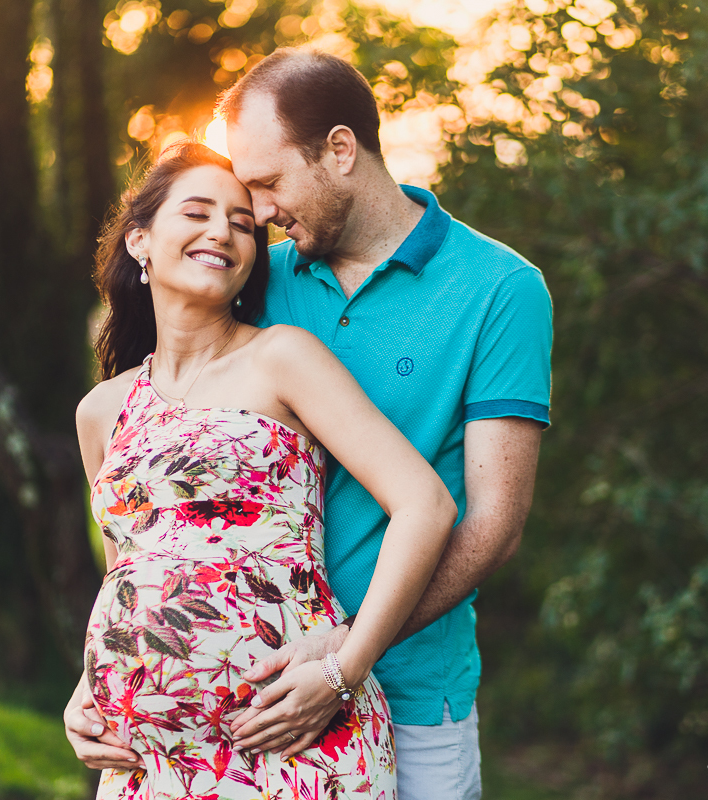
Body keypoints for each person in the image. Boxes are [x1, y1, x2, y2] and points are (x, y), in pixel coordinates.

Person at [67, 140, 456, 799]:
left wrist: (345, 667)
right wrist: (88, 687)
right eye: (196, 212)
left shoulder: (282, 360)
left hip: (295, 742)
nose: (222, 230)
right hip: (147, 764)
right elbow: (126, 572)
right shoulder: (101, 410)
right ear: (139, 241)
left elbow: (426, 504)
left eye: (242, 223)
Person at [215, 49, 552, 800]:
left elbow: (495, 524)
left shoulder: (500, 289)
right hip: (256, 690)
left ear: (340, 150)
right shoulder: (258, 278)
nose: (260, 210)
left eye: (269, 183)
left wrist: (349, 653)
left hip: (412, 695)